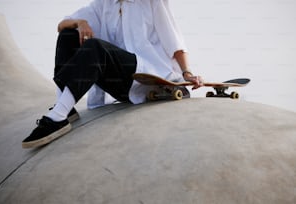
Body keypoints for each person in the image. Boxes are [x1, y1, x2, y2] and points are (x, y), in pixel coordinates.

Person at [22, 0, 203, 149]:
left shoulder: (151, 2)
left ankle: (57, 118)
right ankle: (64, 108)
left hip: (144, 75)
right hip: (117, 80)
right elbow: (61, 25)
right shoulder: (103, 5)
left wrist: (187, 72)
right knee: (68, 34)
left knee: (96, 47)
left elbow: (175, 41)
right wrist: (80, 23)